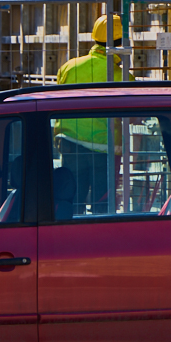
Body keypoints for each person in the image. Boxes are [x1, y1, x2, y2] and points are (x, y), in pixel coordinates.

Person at [54, 15, 128, 213]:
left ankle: (71, 230)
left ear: (94, 36)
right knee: (102, 205)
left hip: (70, 143)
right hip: (104, 149)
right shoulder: (122, 76)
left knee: (71, 200)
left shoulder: (69, 67)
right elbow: (134, 114)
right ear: (121, 42)